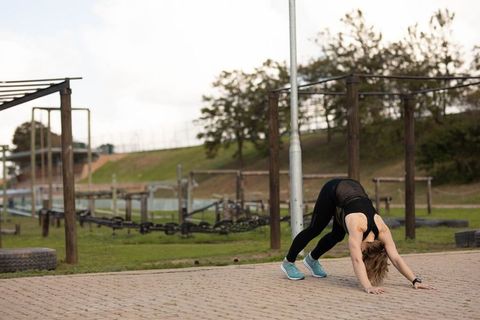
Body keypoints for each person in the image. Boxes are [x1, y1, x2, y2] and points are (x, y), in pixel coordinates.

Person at [280, 178, 434, 294]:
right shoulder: (358, 228)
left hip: (352, 193)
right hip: (333, 190)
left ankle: (311, 259)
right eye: (362, 254)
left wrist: (415, 280)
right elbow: (356, 259)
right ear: (364, 250)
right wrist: (368, 286)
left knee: (337, 235)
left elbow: (396, 258)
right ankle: (288, 262)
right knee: (315, 228)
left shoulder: (383, 231)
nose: (359, 253)